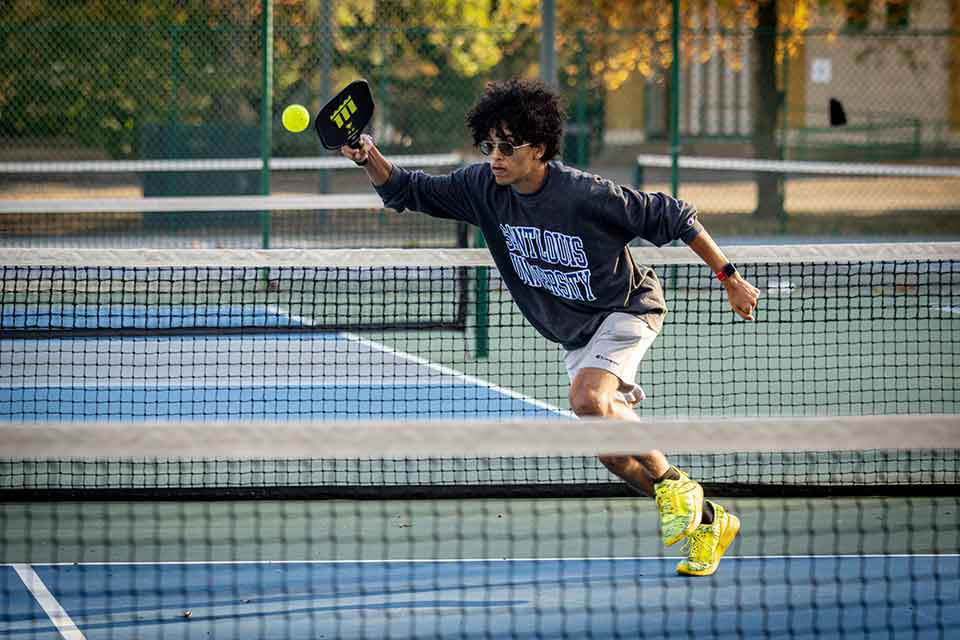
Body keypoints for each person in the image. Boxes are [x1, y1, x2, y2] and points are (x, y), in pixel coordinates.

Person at [341, 78, 760, 577]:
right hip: (575, 332)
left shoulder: (584, 194)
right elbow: (405, 190)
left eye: (508, 147)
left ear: (538, 148)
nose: (495, 156)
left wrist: (730, 278)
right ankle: (710, 520)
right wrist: (368, 155)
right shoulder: (482, 188)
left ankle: (677, 485)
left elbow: (675, 215)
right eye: (489, 145)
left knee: (587, 400)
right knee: (612, 453)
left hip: (626, 308)